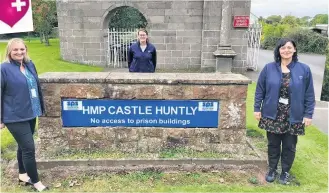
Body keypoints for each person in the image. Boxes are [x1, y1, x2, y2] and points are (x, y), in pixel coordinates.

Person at [254, 38, 315, 185]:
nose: (286, 50)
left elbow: (309, 94)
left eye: (289, 47)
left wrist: (308, 114)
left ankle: (285, 172)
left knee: (289, 145)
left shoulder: (304, 69)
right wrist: (257, 108)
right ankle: (272, 169)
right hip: (272, 114)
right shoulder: (269, 68)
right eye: (283, 48)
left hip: (293, 115)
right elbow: (260, 90)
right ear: (279, 51)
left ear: (294, 50)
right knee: (273, 144)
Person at [0, 38, 49, 192]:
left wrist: (40, 107)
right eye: (15, 50)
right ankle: (36, 182)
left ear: (25, 49)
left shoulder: (29, 64)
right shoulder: (3, 68)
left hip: (30, 112)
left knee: (23, 146)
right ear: (9, 51)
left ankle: (22, 174)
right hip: (14, 116)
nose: (19, 52)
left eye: (22, 49)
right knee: (29, 148)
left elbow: (35, 86)